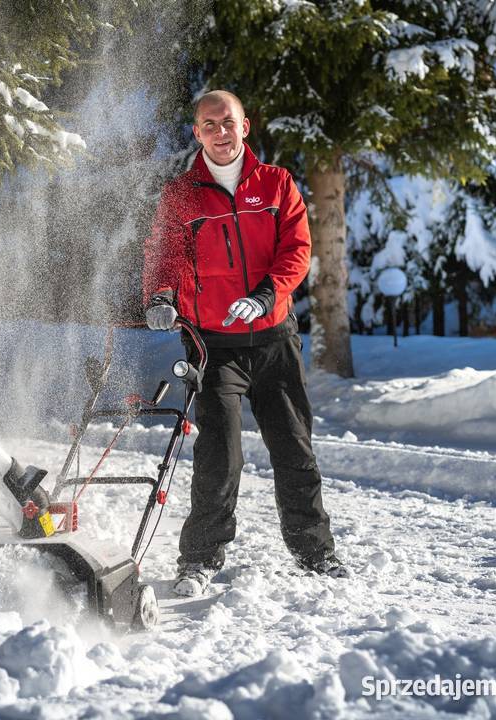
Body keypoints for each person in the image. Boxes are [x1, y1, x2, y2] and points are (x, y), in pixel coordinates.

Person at [143, 90, 346, 596]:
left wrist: (265, 296)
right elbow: (165, 254)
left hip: (274, 339)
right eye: (209, 124)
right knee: (219, 454)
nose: (220, 131)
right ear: (197, 133)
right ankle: (199, 560)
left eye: (228, 122)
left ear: (244, 126)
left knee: (294, 448)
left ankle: (316, 553)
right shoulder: (181, 196)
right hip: (213, 346)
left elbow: (296, 250)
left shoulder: (277, 184)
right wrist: (161, 296)